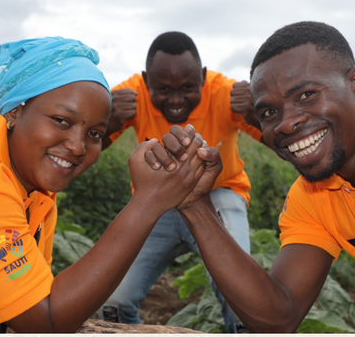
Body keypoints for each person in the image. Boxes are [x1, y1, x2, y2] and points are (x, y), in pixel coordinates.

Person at [149, 21, 355, 332]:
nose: (286, 124)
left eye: (306, 95)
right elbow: (278, 317)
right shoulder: (311, 197)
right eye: (269, 113)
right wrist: (195, 203)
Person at [0, 36, 207, 333]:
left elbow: (36, 297)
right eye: (61, 120)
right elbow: (44, 321)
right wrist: (147, 202)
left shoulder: (37, 191)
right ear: (14, 112)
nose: (78, 147)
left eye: (94, 134)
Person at [100, 31, 263, 332]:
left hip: (220, 195)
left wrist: (255, 115)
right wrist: (108, 121)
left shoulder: (226, 93)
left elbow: (281, 138)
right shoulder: (130, 95)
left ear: (203, 77)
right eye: (162, 89)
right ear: (145, 80)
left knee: (245, 300)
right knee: (112, 302)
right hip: (155, 203)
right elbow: (83, 146)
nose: (176, 100)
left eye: (188, 87)